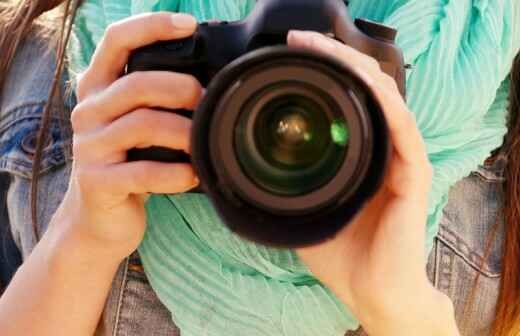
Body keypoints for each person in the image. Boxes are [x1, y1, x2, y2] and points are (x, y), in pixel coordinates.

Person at [0, 1, 518, 335]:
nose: (289, 130)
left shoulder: (496, 70)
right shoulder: (53, 51)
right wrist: (81, 239)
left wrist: (398, 307)